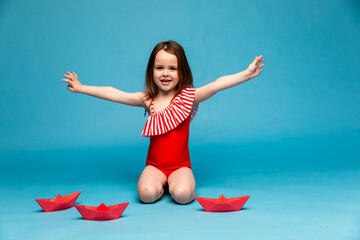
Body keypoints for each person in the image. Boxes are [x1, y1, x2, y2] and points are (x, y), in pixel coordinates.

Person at [61, 40, 264, 205]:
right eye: (159, 68)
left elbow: (216, 85)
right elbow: (114, 94)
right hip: (154, 166)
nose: (165, 73)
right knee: (147, 195)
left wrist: (246, 74)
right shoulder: (148, 100)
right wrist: (81, 87)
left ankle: (175, 183)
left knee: (183, 195)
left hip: (181, 166)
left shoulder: (188, 97)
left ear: (182, 71)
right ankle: (160, 184)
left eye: (172, 68)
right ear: (152, 71)